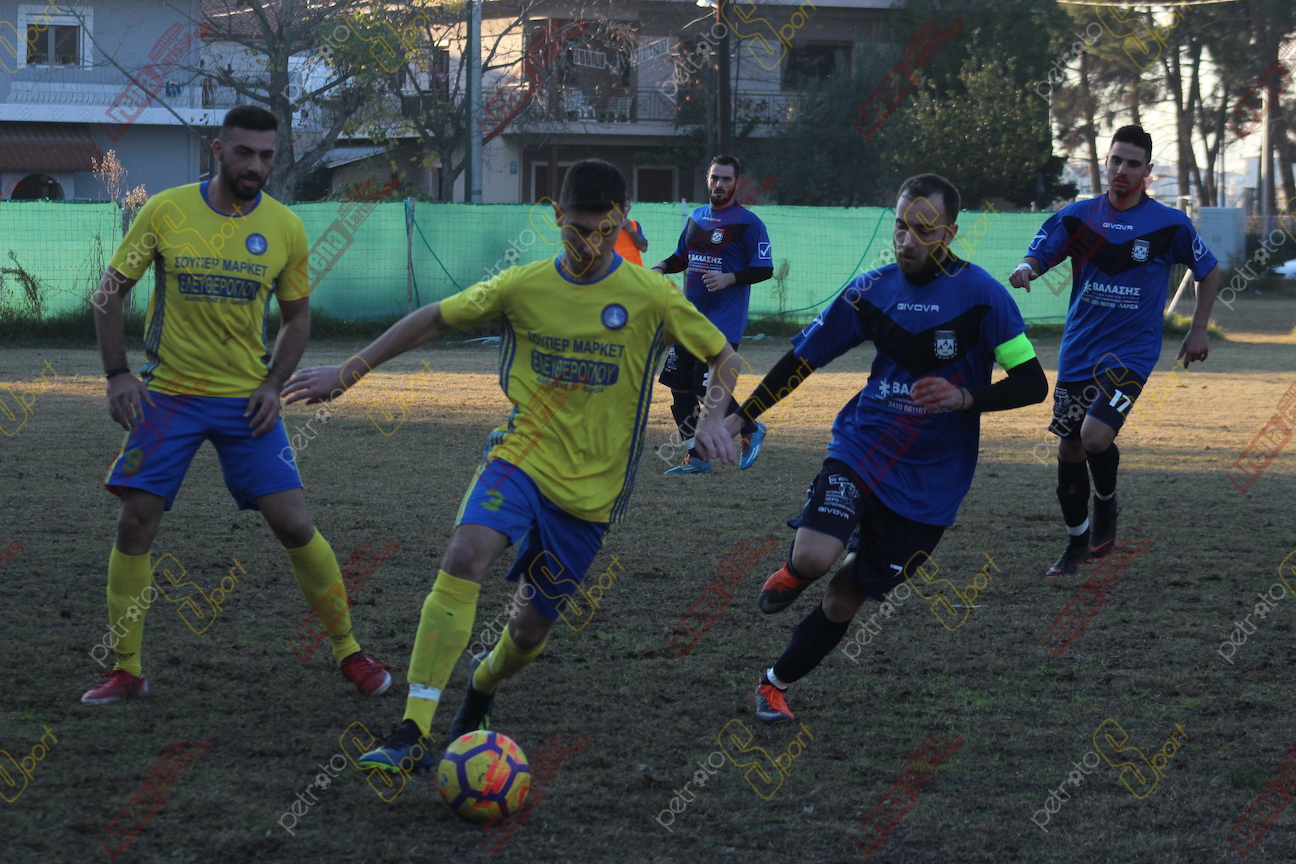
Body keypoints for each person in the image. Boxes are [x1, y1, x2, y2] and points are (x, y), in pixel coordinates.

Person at [281, 159, 742, 771]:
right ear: (555, 217)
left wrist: (711, 417)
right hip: (520, 457)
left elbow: (724, 357)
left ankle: (482, 685)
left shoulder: (652, 296)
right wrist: (350, 370)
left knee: (527, 633)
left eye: (604, 231)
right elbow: (434, 318)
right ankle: (412, 729)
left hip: (592, 495)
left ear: (624, 220)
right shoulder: (522, 286)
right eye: (577, 230)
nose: (590, 244)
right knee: (465, 554)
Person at [83, 104, 391, 705]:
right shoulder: (166, 209)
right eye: (245, 152)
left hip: (246, 402)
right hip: (168, 396)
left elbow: (298, 317)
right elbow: (108, 293)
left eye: (267, 155)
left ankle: (350, 651)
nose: (256, 165)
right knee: (136, 520)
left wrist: (273, 384)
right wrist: (117, 374)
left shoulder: (285, 226)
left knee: (294, 524)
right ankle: (126, 668)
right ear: (218, 150)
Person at [725, 174, 1048, 723]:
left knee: (844, 597)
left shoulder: (984, 297)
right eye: (900, 226)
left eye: (922, 229)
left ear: (949, 233)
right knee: (815, 556)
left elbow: (1032, 382)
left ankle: (774, 684)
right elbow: (803, 359)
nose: (906, 240)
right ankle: (796, 570)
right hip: (863, 446)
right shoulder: (869, 291)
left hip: (931, 482)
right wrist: (743, 415)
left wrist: (964, 396)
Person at [1009, 125, 1219, 576]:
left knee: (1094, 437)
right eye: (1116, 160)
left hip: (1132, 354)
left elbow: (1209, 269)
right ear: (1105, 162)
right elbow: (1040, 252)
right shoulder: (1079, 216)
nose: (1122, 170)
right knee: (1069, 448)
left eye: (1133, 164)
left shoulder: (1170, 224)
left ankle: (1106, 502)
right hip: (1079, 351)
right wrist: (1027, 268)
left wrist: (1198, 329)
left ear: (1147, 171)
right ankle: (1075, 543)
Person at [652, 154, 773, 474]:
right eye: (714, 177)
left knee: (704, 387)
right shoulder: (696, 217)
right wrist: (661, 267)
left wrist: (729, 278)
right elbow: (682, 257)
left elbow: (764, 268)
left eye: (726, 179)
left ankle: (750, 428)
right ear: (707, 179)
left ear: (737, 183)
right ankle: (696, 457)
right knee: (679, 387)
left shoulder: (749, 223)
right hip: (689, 318)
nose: (719, 184)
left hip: (724, 321)